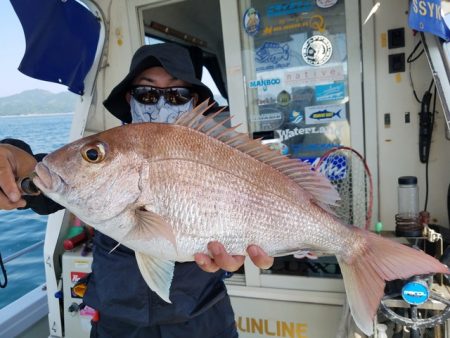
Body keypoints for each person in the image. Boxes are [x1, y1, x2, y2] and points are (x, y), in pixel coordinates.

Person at [0, 43, 273, 337]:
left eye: (178, 94)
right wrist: (17, 160)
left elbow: (247, 216)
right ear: (131, 98)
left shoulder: (219, 153)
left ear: (193, 102)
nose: (161, 105)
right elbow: (46, 189)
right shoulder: (112, 150)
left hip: (203, 320)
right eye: (148, 92)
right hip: (117, 324)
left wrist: (236, 263)